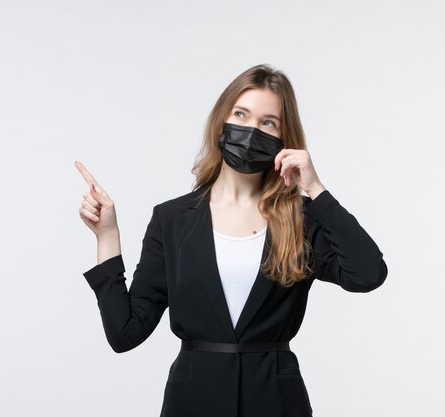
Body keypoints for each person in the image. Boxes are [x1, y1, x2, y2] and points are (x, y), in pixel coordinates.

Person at [75, 63, 388, 417]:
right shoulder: (172, 219)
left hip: (276, 399)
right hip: (193, 401)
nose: (251, 129)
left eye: (268, 122)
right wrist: (107, 236)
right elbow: (125, 333)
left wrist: (315, 189)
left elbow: (368, 274)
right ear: (222, 120)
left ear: (284, 139)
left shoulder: (301, 218)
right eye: (241, 114)